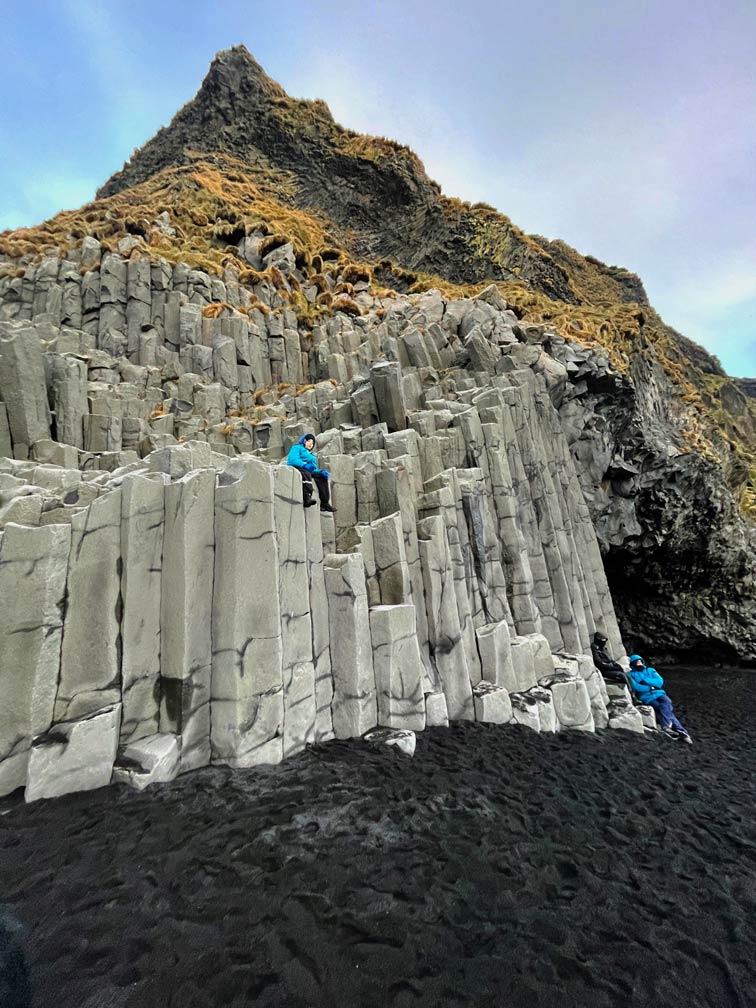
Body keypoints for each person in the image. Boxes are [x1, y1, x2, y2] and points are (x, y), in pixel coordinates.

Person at [627, 655, 692, 743]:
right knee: (664, 709)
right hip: (646, 697)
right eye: (637, 662)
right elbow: (637, 687)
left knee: (667, 702)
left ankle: (666, 727)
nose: (639, 663)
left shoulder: (651, 670)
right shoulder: (630, 674)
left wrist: (645, 681)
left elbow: (660, 682)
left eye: (640, 661)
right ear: (633, 664)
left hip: (659, 693)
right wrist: (651, 687)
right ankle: (682, 732)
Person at [286, 433, 335, 512]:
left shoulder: (312, 456)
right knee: (306, 473)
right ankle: (307, 496)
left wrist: (320, 471)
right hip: (296, 467)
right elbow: (292, 459)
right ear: (304, 441)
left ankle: (325, 503)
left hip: (307, 469)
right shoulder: (296, 448)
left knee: (321, 477)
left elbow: (313, 469)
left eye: (312, 443)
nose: (310, 444)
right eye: (309, 441)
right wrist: (304, 465)